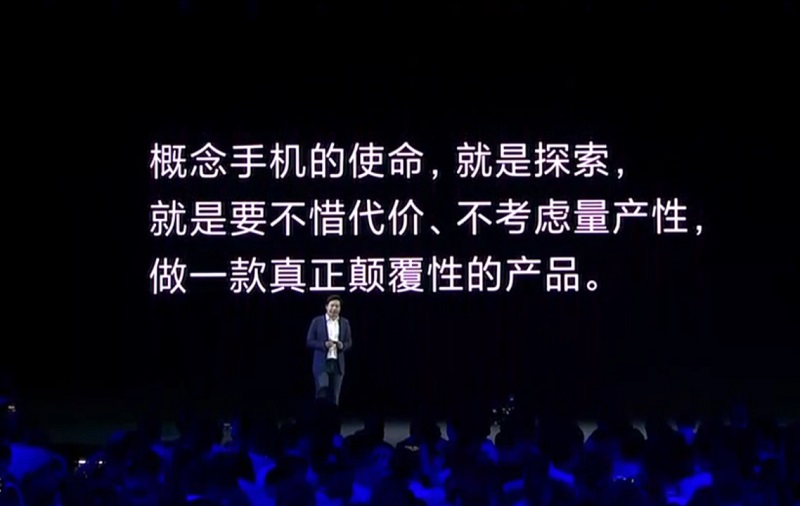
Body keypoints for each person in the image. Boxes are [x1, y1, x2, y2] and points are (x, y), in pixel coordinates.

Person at [306, 295, 352, 405]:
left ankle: (333, 415)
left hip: (337, 364)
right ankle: (320, 415)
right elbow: (309, 341)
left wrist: (342, 346)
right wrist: (324, 345)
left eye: (337, 306)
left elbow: (349, 342)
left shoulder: (344, 323)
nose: (334, 308)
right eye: (332, 306)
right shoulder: (317, 321)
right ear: (326, 307)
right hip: (322, 363)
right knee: (322, 393)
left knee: (335, 396)